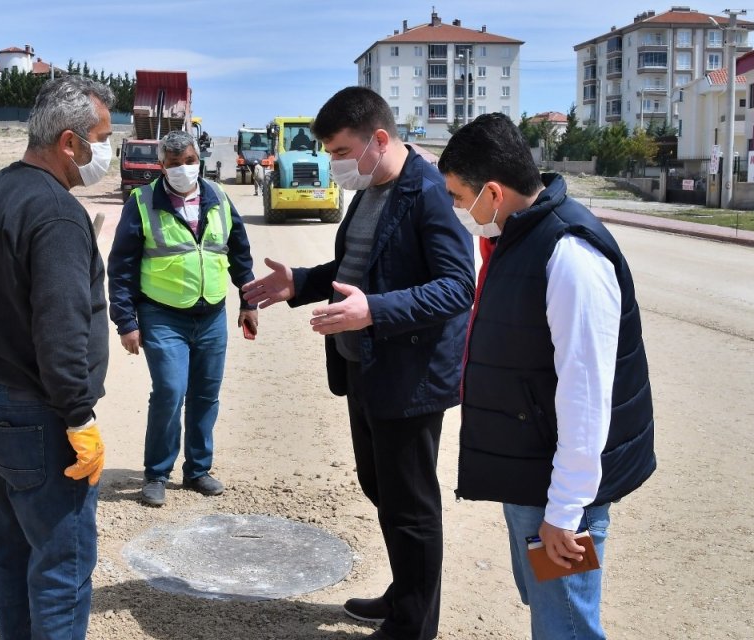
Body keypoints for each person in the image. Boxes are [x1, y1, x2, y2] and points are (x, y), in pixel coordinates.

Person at [242, 87, 474, 640]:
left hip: (409, 376)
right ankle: (404, 592)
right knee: (381, 489)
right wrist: (300, 282)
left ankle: (415, 623)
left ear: (378, 138)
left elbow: (457, 286)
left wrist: (375, 310)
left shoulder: (428, 194)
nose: (335, 164)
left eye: (342, 150)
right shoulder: (370, 189)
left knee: (411, 505)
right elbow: (356, 265)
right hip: (364, 368)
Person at [437, 113, 657, 640]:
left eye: (455, 195)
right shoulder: (517, 238)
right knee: (547, 609)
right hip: (531, 470)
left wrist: (566, 510)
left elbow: (586, 394)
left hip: (559, 490)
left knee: (566, 624)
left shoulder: (570, 254)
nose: (453, 208)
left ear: (491, 192)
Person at [0, 75, 114, 640]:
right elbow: (61, 329)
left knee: (15, 553)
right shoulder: (57, 214)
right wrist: (79, 417)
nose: (107, 152)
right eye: (103, 137)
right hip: (37, 415)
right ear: (70, 142)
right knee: (61, 568)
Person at [108, 129, 258, 507]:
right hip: (162, 316)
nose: (183, 170)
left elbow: (239, 251)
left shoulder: (219, 197)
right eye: (174, 164)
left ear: (199, 160)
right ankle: (157, 473)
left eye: (189, 162)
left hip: (211, 315)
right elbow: (121, 267)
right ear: (162, 166)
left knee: (206, 394)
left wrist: (249, 300)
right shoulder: (142, 201)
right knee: (171, 391)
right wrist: (126, 322)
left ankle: (197, 470)